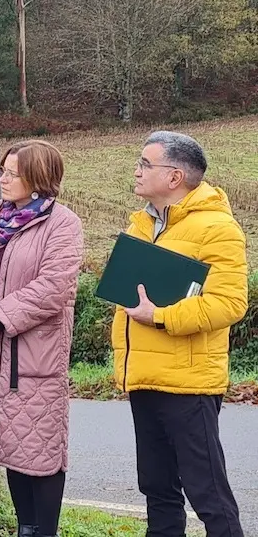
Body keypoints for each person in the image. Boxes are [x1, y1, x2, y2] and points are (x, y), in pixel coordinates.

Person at [114, 131, 247, 536]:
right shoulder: (141, 225)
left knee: (208, 494)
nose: (136, 171)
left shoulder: (218, 229)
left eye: (144, 164)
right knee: (158, 490)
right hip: (142, 375)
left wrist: (161, 316)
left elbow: (229, 304)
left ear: (174, 176)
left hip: (189, 384)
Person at [0, 140, 84, 537]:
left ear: (39, 178)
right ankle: (25, 527)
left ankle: (45, 530)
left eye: (13, 172)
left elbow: (55, 287)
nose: (3, 179)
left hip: (33, 353)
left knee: (40, 451)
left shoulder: (62, 223)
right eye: (3, 171)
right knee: (9, 444)